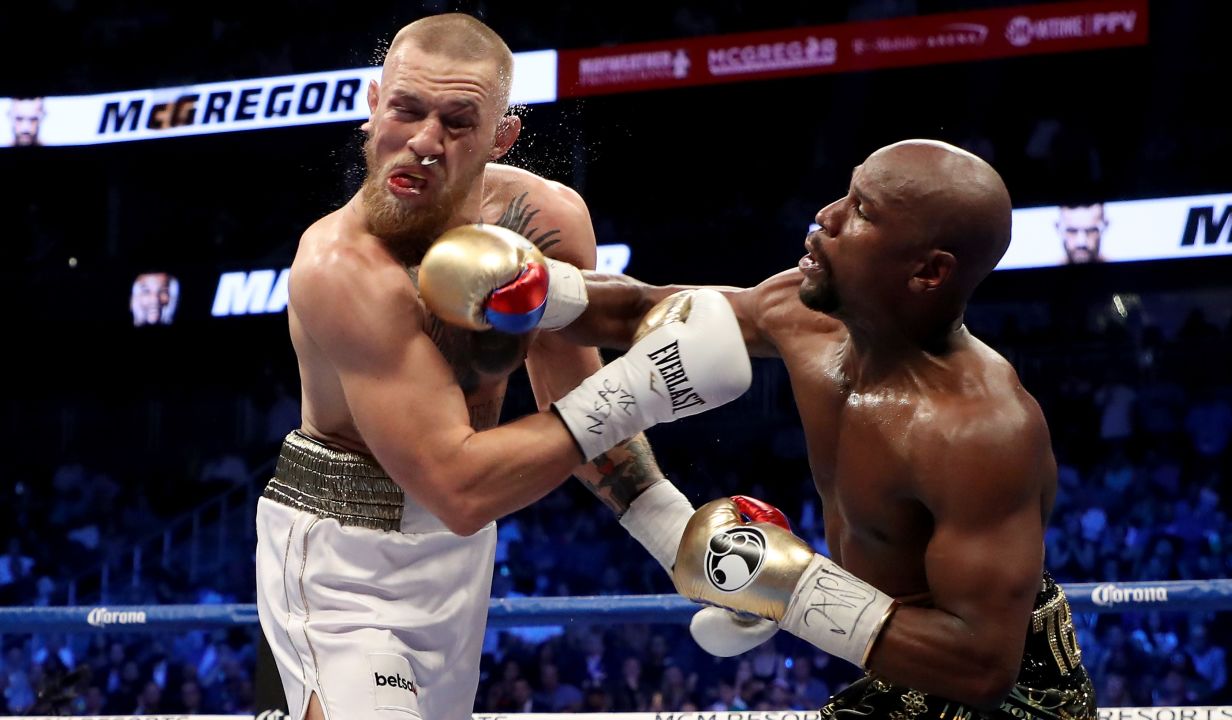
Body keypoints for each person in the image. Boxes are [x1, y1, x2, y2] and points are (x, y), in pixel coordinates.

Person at [255, 13, 750, 720]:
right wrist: (649, 385)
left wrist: (677, 537)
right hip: (342, 553)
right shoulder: (340, 266)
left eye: (458, 122)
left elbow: (576, 403)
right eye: (406, 109)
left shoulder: (542, 220)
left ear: (501, 136)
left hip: (460, 555)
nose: (424, 142)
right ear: (374, 106)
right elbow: (458, 484)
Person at [561, 140, 1097, 717]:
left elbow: (984, 667)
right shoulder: (799, 311)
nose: (827, 215)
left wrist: (786, 586)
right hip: (895, 670)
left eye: (863, 211)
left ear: (928, 270)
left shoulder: (979, 430)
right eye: (847, 191)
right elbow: (643, 311)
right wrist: (531, 292)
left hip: (1010, 694)